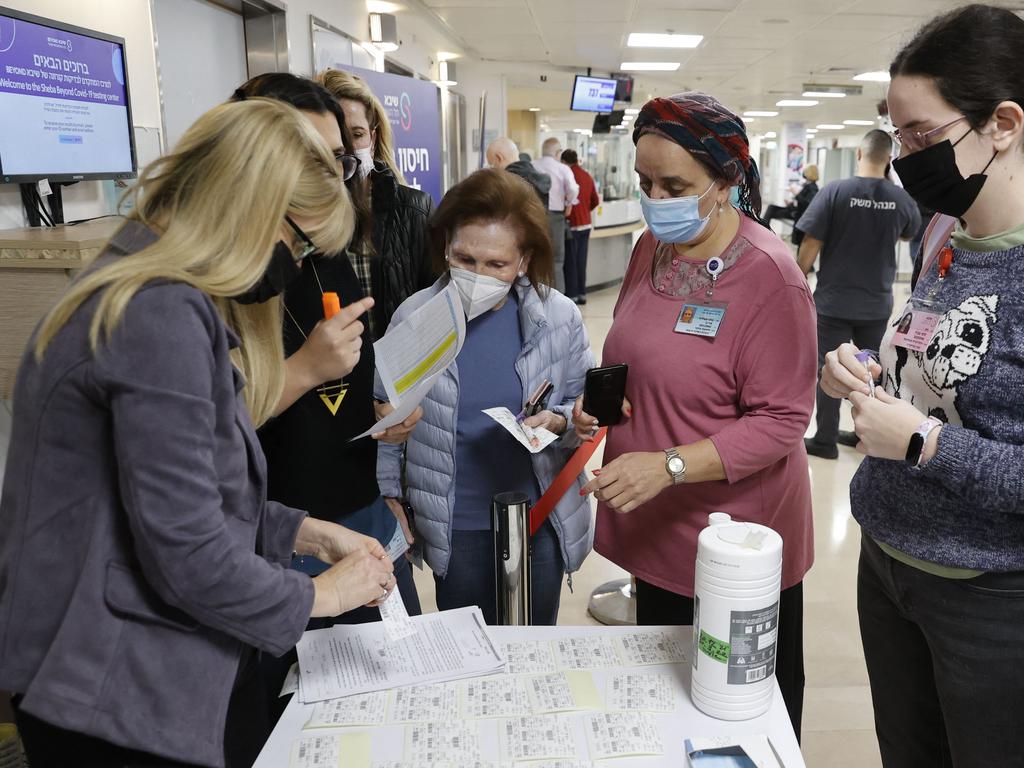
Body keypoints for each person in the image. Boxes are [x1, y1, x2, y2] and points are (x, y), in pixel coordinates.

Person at [0, 99, 397, 768]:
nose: (297, 268)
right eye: (298, 242)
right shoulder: (159, 314)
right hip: (110, 692)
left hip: (104, 675)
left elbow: (173, 493)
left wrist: (303, 531)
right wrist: (322, 595)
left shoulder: (147, 285)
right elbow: (187, 550)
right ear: (248, 204)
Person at [574, 92, 816, 737]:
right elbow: (633, 351)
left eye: (675, 184)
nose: (657, 198)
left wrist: (673, 464)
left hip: (733, 537)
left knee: (738, 705)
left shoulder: (771, 276)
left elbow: (783, 419)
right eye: (646, 181)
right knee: (668, 690)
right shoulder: (649, 250)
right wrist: (597, 402)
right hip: (654, 519)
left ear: (726, 180)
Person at [819, 5, 1024, 766]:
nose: (905, 157)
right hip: (890, 562)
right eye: (895, 133)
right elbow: (930, 365)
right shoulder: (945, 230)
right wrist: (867, 376)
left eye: (922, 136)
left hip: (989, 595)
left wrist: (923, 442)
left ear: (1002, 123)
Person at [377, 168, 595, 625]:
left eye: (496, 264)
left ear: (523, 259)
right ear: (446, 249)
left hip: (539, 517)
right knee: (469, 647)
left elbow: (580, 412)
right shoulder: (415, 318)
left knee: (534, 643)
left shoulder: (557, 318)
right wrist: (391, 497)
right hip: (457, 523)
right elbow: (387, 423)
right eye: (465, 259)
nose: (478, 275)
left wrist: (559, 422)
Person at [798, 130, 920, 459]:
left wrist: (798, 281)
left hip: (833, 303)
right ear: (889, 159)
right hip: (875, 305)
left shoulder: (835, 191)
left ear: (858, 154)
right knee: (871, 369)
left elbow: (811, 242)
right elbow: (910, 235)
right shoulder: (901, 198)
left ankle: (824, 440)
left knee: (830, 369)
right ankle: (869, 436)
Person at [315, 68, 434, 339]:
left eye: (356, 135)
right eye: (336, 138)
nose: (346, 149)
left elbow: (435, 305)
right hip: (333, 374)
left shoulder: (414, 210)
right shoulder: (301, 217)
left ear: (373, 137)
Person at [533, 137, 580, 293]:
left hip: (535, 216)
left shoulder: (533, 166)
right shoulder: (562, 169)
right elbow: (573, 189)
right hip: (555, 217)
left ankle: (538, 295)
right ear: (557, 152)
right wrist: (569, 203)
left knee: (537, 258)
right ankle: (558, 298)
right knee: (557, 260)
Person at [561, 148, 601, 304]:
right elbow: (595, 200)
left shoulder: (567, 176)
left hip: (572, 225)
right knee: (581, 260)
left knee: (570, 261)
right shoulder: (587, 176)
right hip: (586, 224)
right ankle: (582, 293)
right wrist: (585, 210)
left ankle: (572, 294)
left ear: (564, 162)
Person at [486, 136, 551, 205]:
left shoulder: (506, 183)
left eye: (491, 165)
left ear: (499, 158)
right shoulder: (538, 178)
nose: (493, 169)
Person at [763, 164, 820, 243]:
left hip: (796, 214)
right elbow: (801, 202)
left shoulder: (812, 188)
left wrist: (796, 194)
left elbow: (807, 204)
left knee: (771, 209)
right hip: (794, 210)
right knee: (771, 207)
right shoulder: (808, 186)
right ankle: (764, 231)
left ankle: (764, 232)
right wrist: (791, 203)